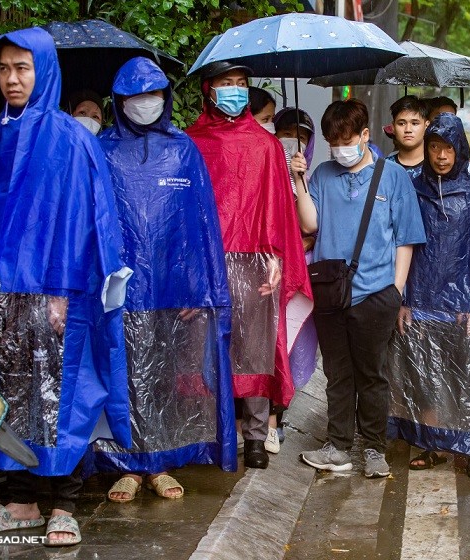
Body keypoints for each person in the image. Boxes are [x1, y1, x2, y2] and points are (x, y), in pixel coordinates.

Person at [0, 28, 131, 546]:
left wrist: (64, 291)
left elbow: (89, 219)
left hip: (62, 293)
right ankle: (20, 496)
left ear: (44, 70)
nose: (12, 79)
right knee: (9, 394)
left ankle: (65, 501)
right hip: (4, 298)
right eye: (4, 69)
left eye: (23, 67)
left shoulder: (72, 138)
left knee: (63, 396)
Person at [92, 57, 235, 502]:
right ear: (119, 101)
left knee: (169, 375)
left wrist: (202, 287)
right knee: (126, 375)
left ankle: (163, 462)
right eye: (135, 96)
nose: (144, 104)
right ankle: (130, 464)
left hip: (175, 291)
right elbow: (93, 221)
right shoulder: (102, 149)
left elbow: (201, 225)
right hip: (120, 289)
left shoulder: (183, 150)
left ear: (166, 98)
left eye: (152, 94)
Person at [186, 61, 311, 470]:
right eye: (227, 84)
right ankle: (209, 433)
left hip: (255, 261)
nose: (235, 91)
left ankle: (256, 436)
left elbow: (279, 209)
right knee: (203, 351)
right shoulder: (190, 143)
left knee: (255, 352)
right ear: (209, 90)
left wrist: (278, 258)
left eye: (241, 84)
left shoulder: (266, 145)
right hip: (205, 263)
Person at [386, 113, 470, 478]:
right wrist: (404, 299)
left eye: (448, 147)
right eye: (434, 147)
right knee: (426, 374)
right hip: (423, 301)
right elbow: (406, 247)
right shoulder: (413, 191)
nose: (441, 155)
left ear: (459, 149)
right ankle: (431, 444)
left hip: (464, 306)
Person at [296, 99, 426, 478]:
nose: (340, 148)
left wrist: (396, 290)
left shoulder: (391, 176)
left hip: (376, 292)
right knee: (338, 373)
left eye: (346, 139)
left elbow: (406, 238)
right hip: (330, 292)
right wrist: (300, 182)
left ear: (366, 135)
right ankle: (338, 447)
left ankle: (373, 449)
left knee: (372, 375)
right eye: (333, 141)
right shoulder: (321, 174)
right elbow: (309, 225)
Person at [266, 106, 320, 454]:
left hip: (298, 276)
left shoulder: (312, 181)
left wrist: (297, 179)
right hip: (267, 273)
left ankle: (278, 414)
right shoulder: (264, 172)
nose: (291, 143)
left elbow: (312, 228)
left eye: (300, 137)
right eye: (285, 134)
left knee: (290, 345)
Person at [386, 95, 429, 180]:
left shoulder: (437, 166)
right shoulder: (383, 167)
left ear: (426, 126)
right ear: (393, 127)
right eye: (401, 123)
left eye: (415, 123)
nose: (408, 130)